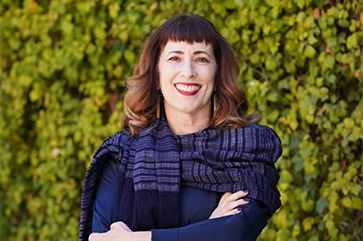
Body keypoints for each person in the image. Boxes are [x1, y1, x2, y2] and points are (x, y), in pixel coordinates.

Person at [79, 14, 282, 241]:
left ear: (217, 75)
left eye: (201, 59)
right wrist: (209, 229)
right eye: (174, 58)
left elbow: (236, 233)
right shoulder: (122, 155)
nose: (188, 71)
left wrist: (137, 238)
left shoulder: (246, 152)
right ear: (156, 76)